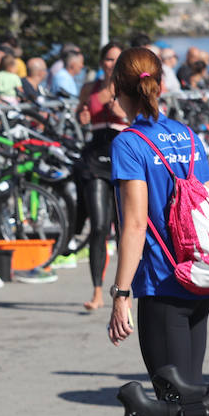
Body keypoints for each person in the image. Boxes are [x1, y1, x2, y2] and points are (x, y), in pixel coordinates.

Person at [105, 46, 209, 416]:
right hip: (198, 278)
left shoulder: (128, 144)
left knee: (180, 406)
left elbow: (133, 225)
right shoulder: (186, 135)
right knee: (188, 397)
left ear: (118, 88)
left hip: (162, 283)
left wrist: (120, 292)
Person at [75, 42, 127, 312]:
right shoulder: (90, 88)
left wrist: (126, 117)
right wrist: (82, 116)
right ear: (101, 62)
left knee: (123, 229)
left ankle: (124, 290)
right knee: (98, 226)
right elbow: (81, 113)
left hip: (123, 160)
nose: (111, 64)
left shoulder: (128, 88)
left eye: (116, 60)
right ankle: (97, 292)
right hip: (95, 158)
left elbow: (148, 119)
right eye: (107, 59)